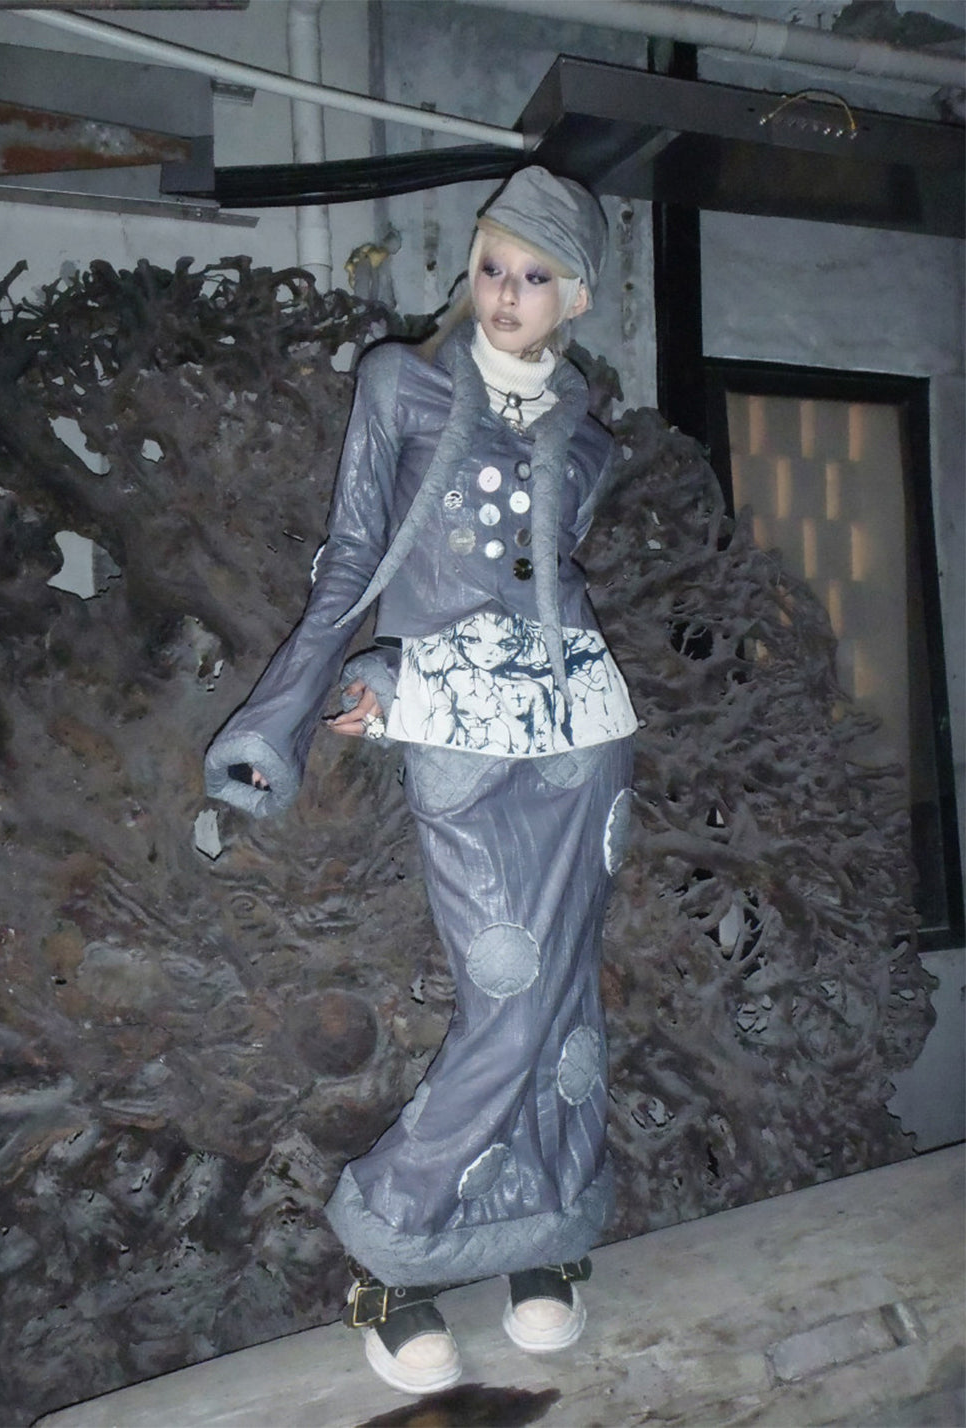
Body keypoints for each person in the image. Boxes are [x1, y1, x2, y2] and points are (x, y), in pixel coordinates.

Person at [204, 166, 637, 1396]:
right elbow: (355, 561)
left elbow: (539, 588)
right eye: (493, 266)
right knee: (511, 994)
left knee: (566, 1004)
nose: (505, 293)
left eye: (535, 276)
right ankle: (394, 1245)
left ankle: (540, 1230)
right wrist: (285, 717)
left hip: (582, 734)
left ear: (576, 298)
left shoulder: (588, 439)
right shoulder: (404, 386)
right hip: (457, 730)